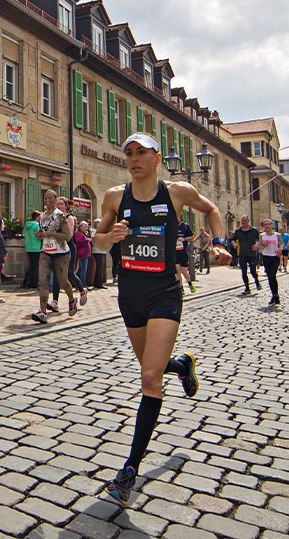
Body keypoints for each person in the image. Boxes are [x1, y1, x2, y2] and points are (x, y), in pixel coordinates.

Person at [93, 132, 231, 506]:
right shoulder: (114, 197)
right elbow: (97, 240)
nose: (134, 158)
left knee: (150, 377)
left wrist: (220, 243)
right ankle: (182, 364)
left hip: (164, 292)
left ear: (157, 158)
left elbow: (213, 210)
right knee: (152, 365)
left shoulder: (178, 192)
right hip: (130, 293)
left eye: (142, 152)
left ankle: (129, 471)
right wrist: (111, 237)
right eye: (129, 152)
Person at [32, 190, 78, 323]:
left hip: (61, 253)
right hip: (46, 251)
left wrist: (51, 234)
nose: (47, 201)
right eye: (45, 198)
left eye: (50, 198)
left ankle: (71, 300)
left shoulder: (60, 216)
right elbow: (44, 232)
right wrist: (39, 234)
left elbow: (67, 236)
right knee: (44, 281)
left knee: (63, 281)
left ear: (55, 199)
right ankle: (42, 312)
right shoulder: (42, 216)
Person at [50, 197, 87, 312]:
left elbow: (69, 235)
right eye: (57, 204)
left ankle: (82, 290)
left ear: (66, 206)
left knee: (69, 273)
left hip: (69, 248)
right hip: (57, 248)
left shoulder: (69, 218)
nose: (59, 206)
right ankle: (54, 302)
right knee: (57, 274)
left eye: (61, 204)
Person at [231, 215, 262, 295]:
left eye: (245, 220)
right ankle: (247, 288)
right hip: (242, 254)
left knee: (253, 271)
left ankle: (257, 281)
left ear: (248, 221)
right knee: (243, 271)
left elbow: (260, 239)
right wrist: (234, 243)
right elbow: (233, 239)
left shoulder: (254, 230)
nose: (243, 222)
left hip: (252, 254)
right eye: (242, 220)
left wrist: (257, 245)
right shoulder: (238, 231)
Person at [257, 218, 283, 306]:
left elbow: (282, 243)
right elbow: (260, 248)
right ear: (263, 226)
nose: (267, 226)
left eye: (269, 224)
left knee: (273, 276)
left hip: (275, 257)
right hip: (266, 257)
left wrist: (280, 249)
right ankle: (274, 295)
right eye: (265, 224)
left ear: (272, 226)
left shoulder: (277, 235)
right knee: (269, 277)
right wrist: (264, 245)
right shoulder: (262, 236)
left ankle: (276, 295)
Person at [175, 219, 195, 294]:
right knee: (177, 271)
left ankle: (190, 284)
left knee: (183, 270)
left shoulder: (185, 226)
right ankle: (181, 288)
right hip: (175, 252)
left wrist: (184, 239)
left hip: (183, 252)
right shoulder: (173, 225)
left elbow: (192, 237)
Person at [23, 210, 42, 289]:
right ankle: (33, 283)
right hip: (36, 247)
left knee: (32, 265)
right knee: (35, 266)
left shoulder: (27, 225)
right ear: (37, 217)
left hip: (29, 247)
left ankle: (29, 282)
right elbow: (39, 236)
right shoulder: (37, 225)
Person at [91, 218, 108, 289]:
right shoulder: (95, 231)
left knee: (100, 267)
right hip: (98, 251)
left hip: (101, 250)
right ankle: (98, 283)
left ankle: (98, 282)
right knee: (99, 267)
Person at [74, 220, 92, 288]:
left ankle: (77, 283)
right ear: (81, 227)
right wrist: (86, 240)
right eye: (84, 227)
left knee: (80, 269)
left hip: (85, 254)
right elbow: (78, 242)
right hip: (82, 254)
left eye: (87, 227)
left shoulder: (83, 234)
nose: (86, 228)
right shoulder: (80, 234)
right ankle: (82, 284)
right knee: (83, 270)